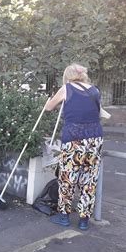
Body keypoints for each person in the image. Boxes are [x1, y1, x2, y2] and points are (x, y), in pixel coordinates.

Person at [45, 63, 103, 230]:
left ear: (68, 75)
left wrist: (49, 101)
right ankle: (84, 220)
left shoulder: (66, 88)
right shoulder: (95, 90)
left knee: (68, 177)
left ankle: (64, 216)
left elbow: (49, 107)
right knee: (89, 178)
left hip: (74, 138)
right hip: (95, 138)